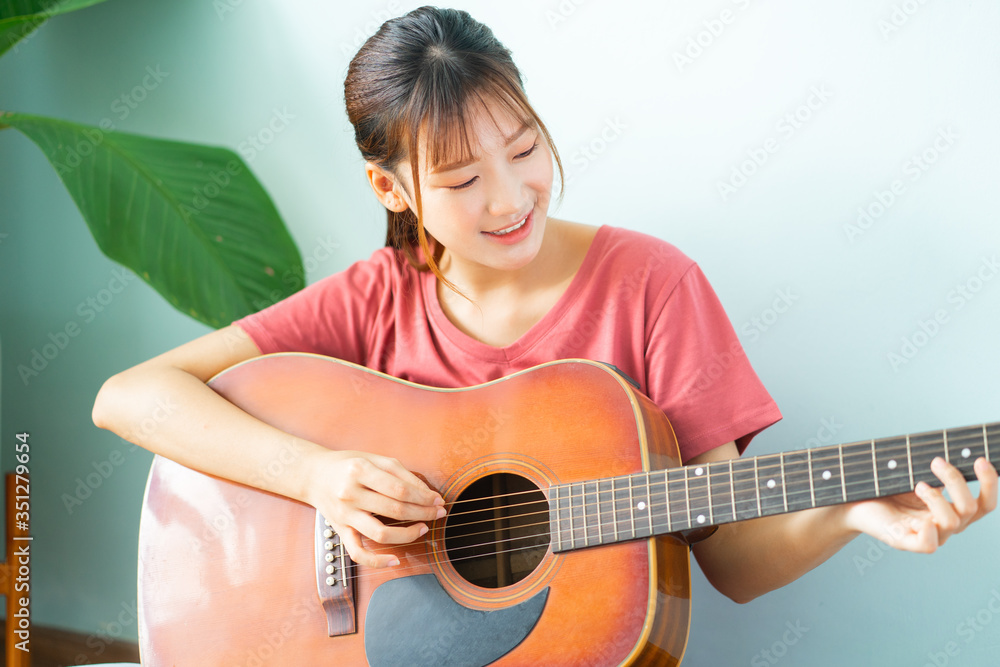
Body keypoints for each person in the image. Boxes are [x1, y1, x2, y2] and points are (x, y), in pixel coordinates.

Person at [92, 6, 996, 605]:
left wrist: (853, 513)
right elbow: (128, 395)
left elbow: (729, 559)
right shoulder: (376, 300)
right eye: (460, 177)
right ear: (391, 186)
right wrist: (315, 475)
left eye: (524, 148)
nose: (510, 197)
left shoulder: (653, 284)